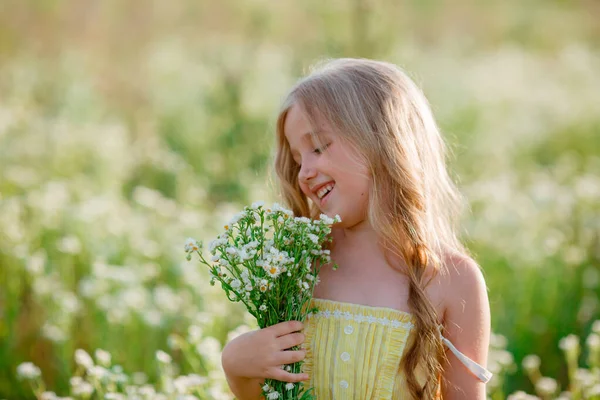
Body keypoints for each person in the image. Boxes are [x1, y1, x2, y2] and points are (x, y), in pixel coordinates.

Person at [221, 58, 492, 400]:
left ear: (383, 140)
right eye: (298, 158)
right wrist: (237, 370)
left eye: (318, 147)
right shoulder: (298, 265)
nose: (304, 172)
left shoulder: (452, 278)